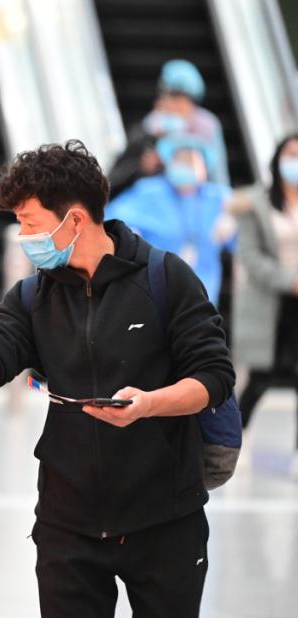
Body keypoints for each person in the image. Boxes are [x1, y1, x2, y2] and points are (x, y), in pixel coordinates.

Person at [0, 140, 235, 618]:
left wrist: (150, 404)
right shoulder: (35, 295)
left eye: (30, 223)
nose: (24, 237)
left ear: (74, 219)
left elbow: (213, 375)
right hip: (69, 518)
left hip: (164, 516)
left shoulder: (165, 279)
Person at [230, 134, 298, 472]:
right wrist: (289, 280)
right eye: (291, 154)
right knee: (260, 375)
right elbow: (249, 254)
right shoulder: (254, 203)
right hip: (270, 301)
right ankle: (235, 439)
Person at [107, 133, 234, 305]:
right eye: (179, 160)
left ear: (204, 167)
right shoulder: (149, 191)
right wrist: (129, 238)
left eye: (190, 160)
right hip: (153, 292)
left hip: (202, 296)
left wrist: (233, 221)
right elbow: (111, 219)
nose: (184, 166)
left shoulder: (219, 199)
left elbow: (245, 238)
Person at [109, 59, 229, 198]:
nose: (172, 103)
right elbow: (125, 167)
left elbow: (216, 171)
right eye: (169, 95)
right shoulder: (153, 123)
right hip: (158, 196)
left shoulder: (206, 124)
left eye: (178, 96)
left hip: (196, 196)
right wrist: (144, 165)